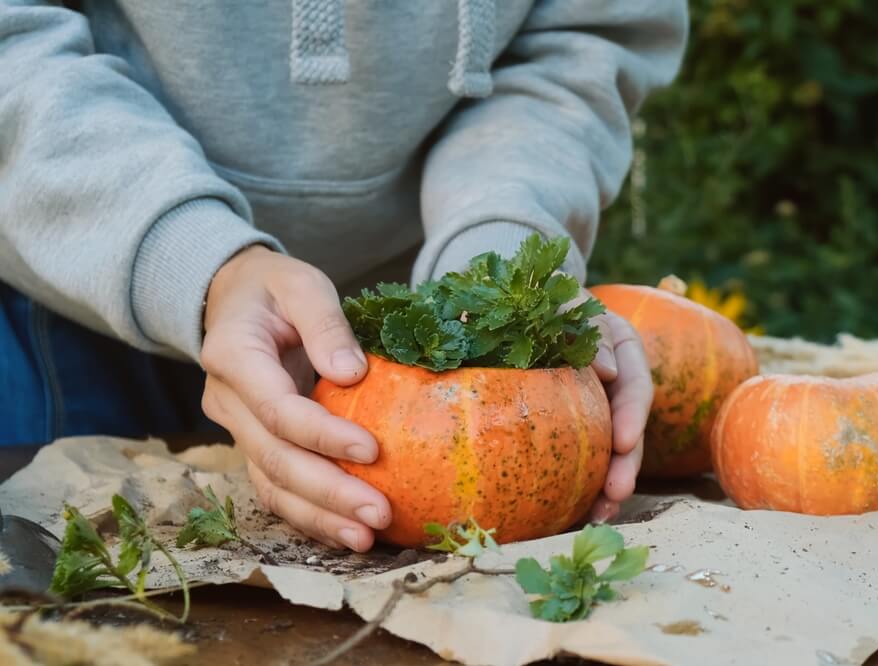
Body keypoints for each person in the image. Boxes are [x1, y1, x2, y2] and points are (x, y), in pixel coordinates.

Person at [0, 1, 688, 551]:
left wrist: (500, 264)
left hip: (403, 315)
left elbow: (576, 41)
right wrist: (193, 256)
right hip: (77, 286)